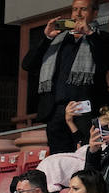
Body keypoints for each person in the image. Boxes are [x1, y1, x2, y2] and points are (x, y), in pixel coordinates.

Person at [21, 1, 109, 154]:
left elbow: (105, 62)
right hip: (56, 111)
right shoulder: (58, 39)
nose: (78, 14)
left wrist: (90, 34)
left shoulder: (102, 38)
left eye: (83, 9)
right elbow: (28, 64)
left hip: (86, 110)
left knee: (86, 155)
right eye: (75, 9)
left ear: (95, 13)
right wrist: (47, 38)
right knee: (59, 157)